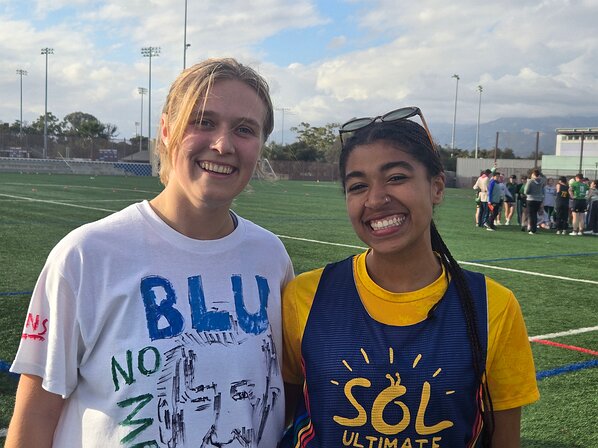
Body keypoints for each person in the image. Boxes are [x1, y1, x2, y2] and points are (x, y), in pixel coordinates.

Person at [6, 58, 294, 447]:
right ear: (166, 130)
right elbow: (36, 414)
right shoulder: (86, 255)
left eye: (245, 129)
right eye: (203, 122)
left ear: (260, 145)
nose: (223, 144)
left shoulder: (270, 257)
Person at [281, 108, 539, 447]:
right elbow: (280, 411)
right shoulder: (305, 295)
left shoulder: (494, 306)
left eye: (396, 177)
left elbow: (503, 438)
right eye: (358, 185)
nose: (375, 199)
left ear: (436, 188)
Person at [524, 169, 545, 234]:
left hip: (531, 199)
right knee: (535, 215)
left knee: (531, 215)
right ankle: (534, 228)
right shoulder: (541, 181)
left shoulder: (530, 181)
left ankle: (532, 229)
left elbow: (526, 191)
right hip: (538, 200)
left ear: (533, 175)